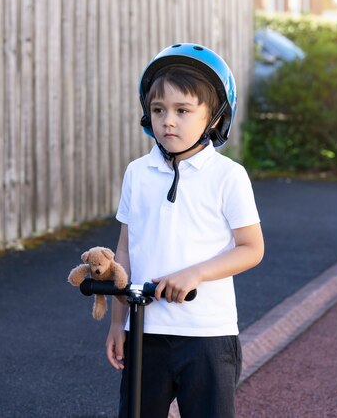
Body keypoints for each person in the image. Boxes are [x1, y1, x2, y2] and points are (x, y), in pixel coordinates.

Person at [106, 43, 265, 418]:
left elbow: (251, 248)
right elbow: (125, 251)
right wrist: (118, 323)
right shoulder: (138, 173)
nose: (168, 121)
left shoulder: (228, 176)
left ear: (213, 117)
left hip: (207, 335)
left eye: (183, 110)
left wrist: (194, 274)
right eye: (158, 110)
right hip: (145, 330)